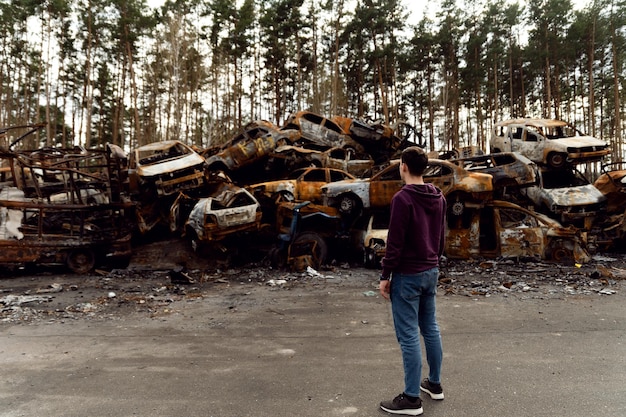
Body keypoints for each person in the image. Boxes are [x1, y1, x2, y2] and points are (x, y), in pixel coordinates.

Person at [379, 146, 446, 416]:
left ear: (404, 166)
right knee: (430, 328)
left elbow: (394, 242)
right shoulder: (438, 197)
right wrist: (434, 260)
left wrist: (385, 275)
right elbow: (441, 238)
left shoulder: (402, 199)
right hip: (431, 270)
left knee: (408, 336)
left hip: (408, 275)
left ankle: (411, 399)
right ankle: (435, 384)